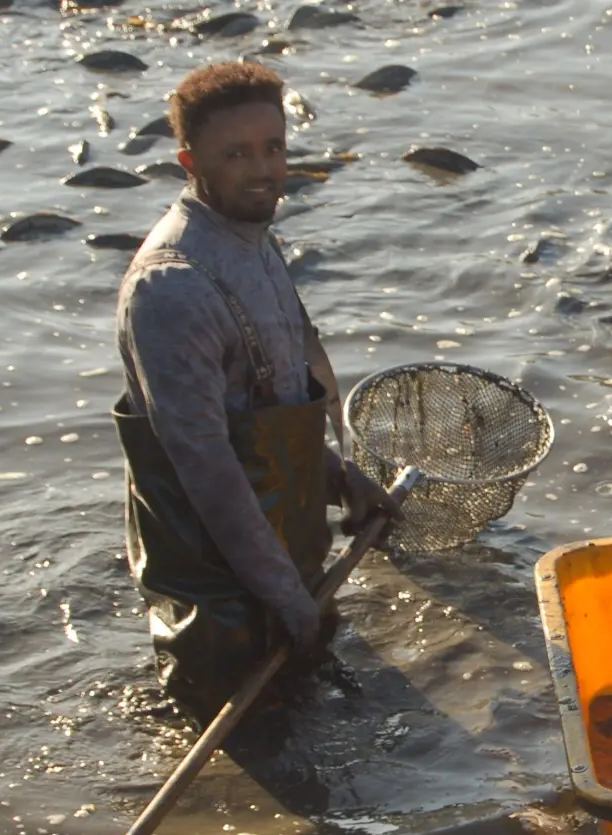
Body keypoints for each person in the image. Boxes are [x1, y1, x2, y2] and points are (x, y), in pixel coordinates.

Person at [113, 61, 401, 722]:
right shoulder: (171, 288)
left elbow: (262, 405)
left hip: (283, 561)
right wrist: (284, 594)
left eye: (274, 148)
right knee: (246, 747)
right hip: (218, 598)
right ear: (191, 162)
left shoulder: (252, 239)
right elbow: (204, 465)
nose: (264, 170)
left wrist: (338, 476)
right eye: (237, 154)